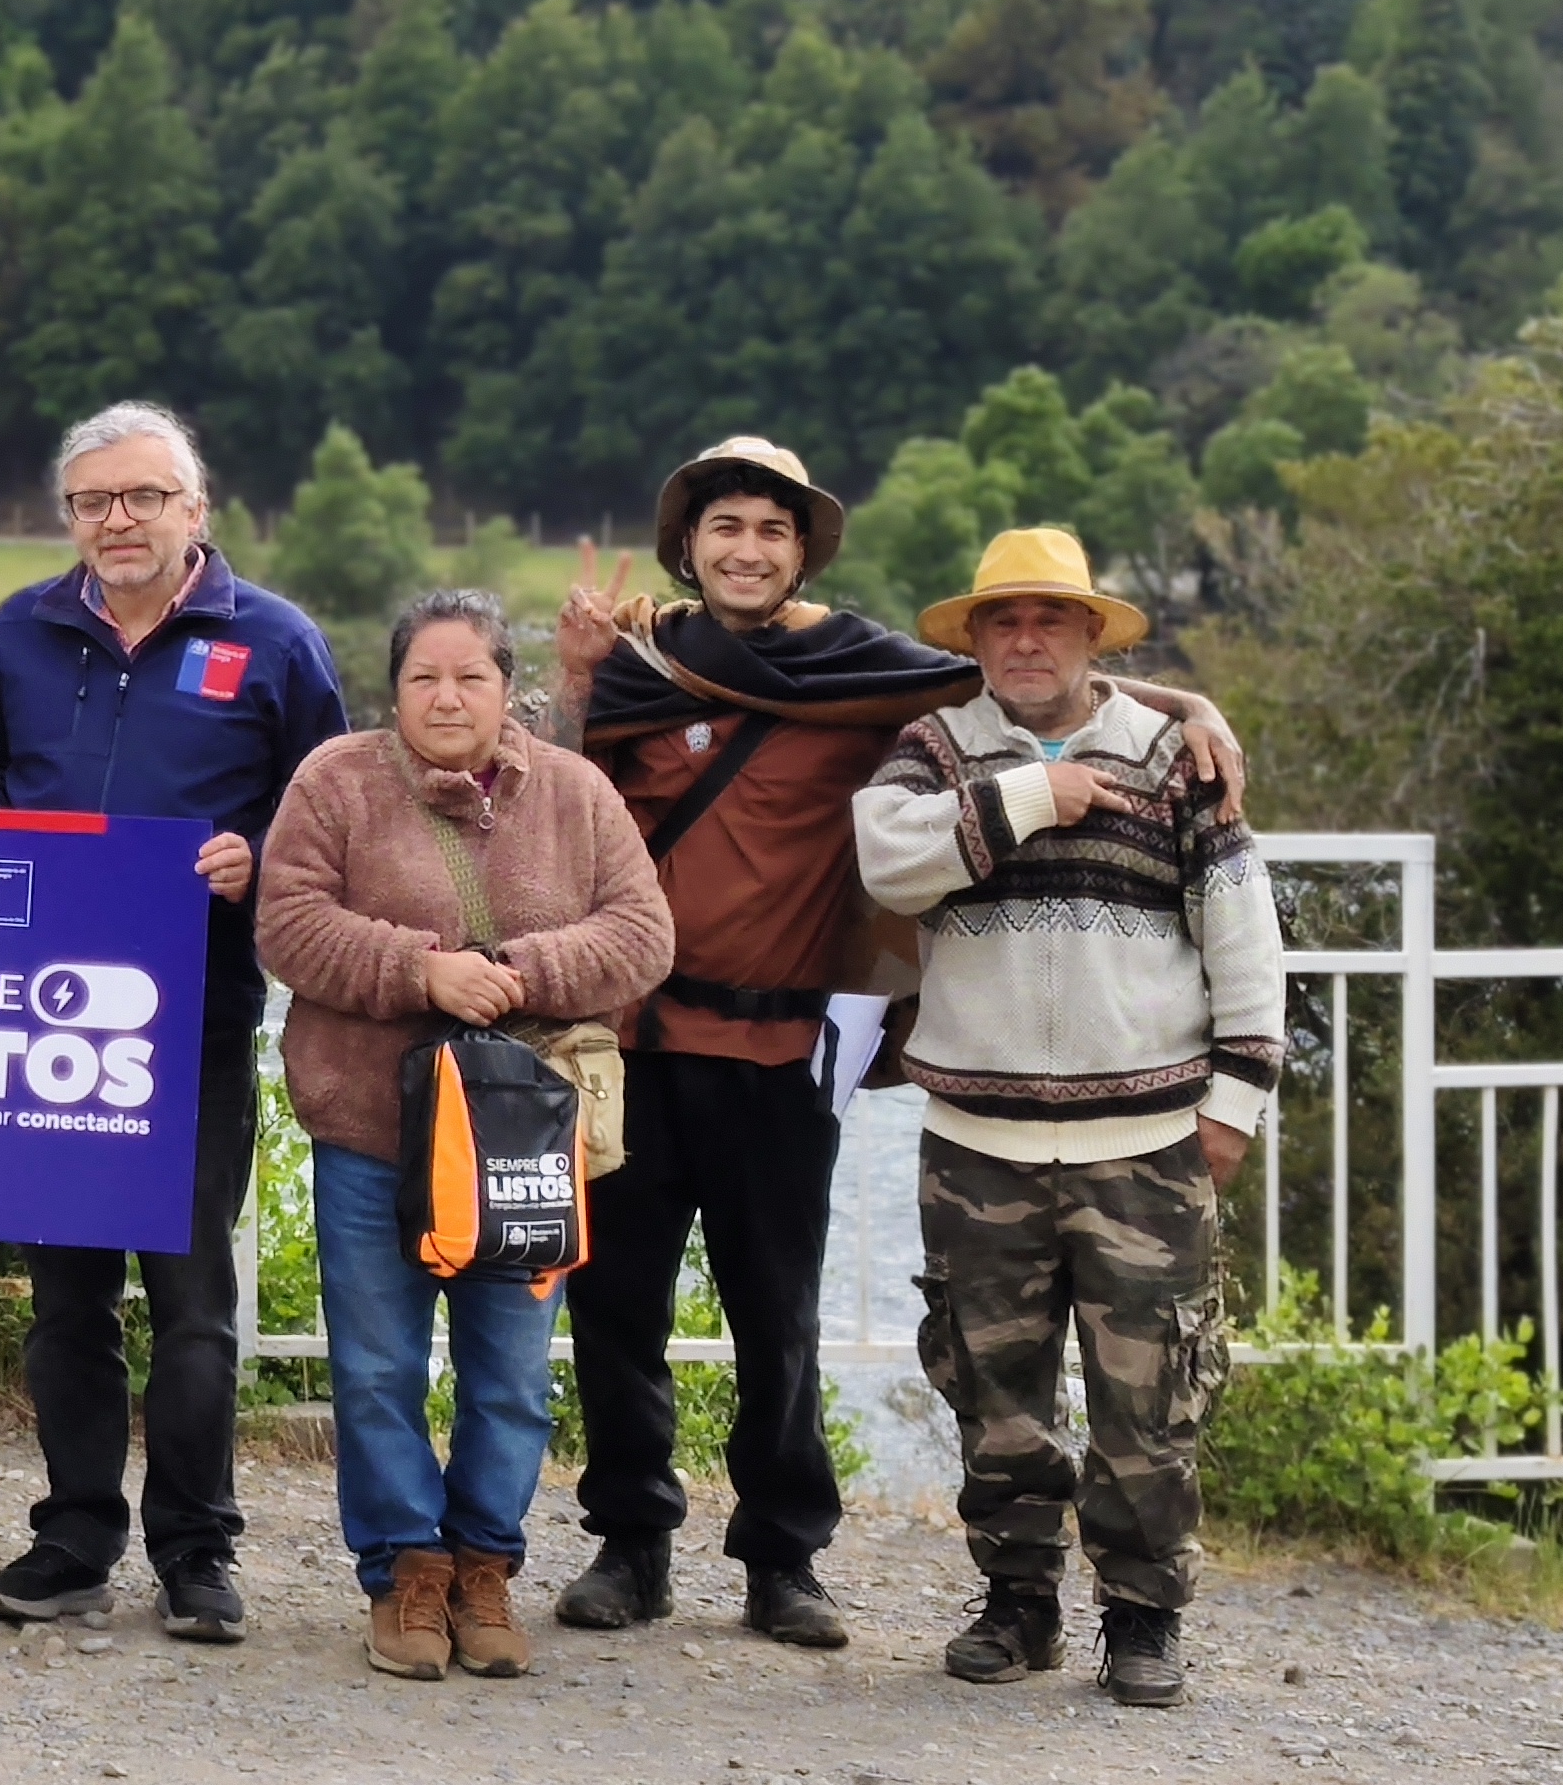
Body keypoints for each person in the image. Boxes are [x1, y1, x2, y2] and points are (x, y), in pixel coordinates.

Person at [540, 438, 1242, 1649]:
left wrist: (1185, 702)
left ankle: (781, 1560)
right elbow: (546, 799)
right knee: (615, 1309)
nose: (747, 549)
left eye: (771, 529)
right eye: (725, 530)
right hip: (635, 1041)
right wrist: (571, 679)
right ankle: (631, 1544)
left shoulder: (861, 673)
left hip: (782, 1046)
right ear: (688, 548)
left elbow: (1028, 687)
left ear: (804, 548)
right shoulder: (639, 670)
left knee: (779, 1317)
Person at [854, 527, 1283, 1710]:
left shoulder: (1172, 757)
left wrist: (1236, 1102)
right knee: (992, 1393)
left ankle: (1144, 1620)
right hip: (975, 1140)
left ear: (1094, 634)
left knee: (1150, 1405)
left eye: (1051, 618)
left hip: (1145, 1141)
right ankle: (1019, 1602)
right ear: (975, 638)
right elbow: (886, 866)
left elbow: (1244, 939)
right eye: (1003, 620)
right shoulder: (932, 751)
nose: (1027, 638)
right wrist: (1033, 794)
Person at [0, 401, 349, 1643]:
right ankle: (73, 1536)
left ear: (195, 508)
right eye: (92, 501)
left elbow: (332, 817)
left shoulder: (274, 641)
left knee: (191, 1303)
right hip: (47, 1024)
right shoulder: (17, 632)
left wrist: (262, 854)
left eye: (141, 498)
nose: (116, 521)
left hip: (192, 1019)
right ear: (69, 514)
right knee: (65, 1299)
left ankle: (195, 1548)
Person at [258, 591, 673, 1681]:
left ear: (507, 687)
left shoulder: (575, 794)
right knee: (379, 1368)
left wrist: (515, 976)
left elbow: (642, 934)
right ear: (391, 691)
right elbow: (287, 921)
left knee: (510, 1375)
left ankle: (485, 1563)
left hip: (522, 1141)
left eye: (470, 678)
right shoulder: (334, 782)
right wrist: (417, 969)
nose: (446, 698)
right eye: (423, 679)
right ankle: (405, 1572)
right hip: (369, 1133)